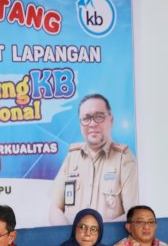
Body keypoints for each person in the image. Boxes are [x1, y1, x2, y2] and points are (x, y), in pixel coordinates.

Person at [49, 93, 138, 225]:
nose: (92, 124)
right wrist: (67, 235)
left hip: (108, 238)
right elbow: (55, 209)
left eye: (99, 116)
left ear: (111, 121)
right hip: (71, 237)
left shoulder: (124, 158)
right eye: (86, 118)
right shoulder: (72, 157)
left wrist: (95, 233)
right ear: (80, 123)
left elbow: (133, 214)